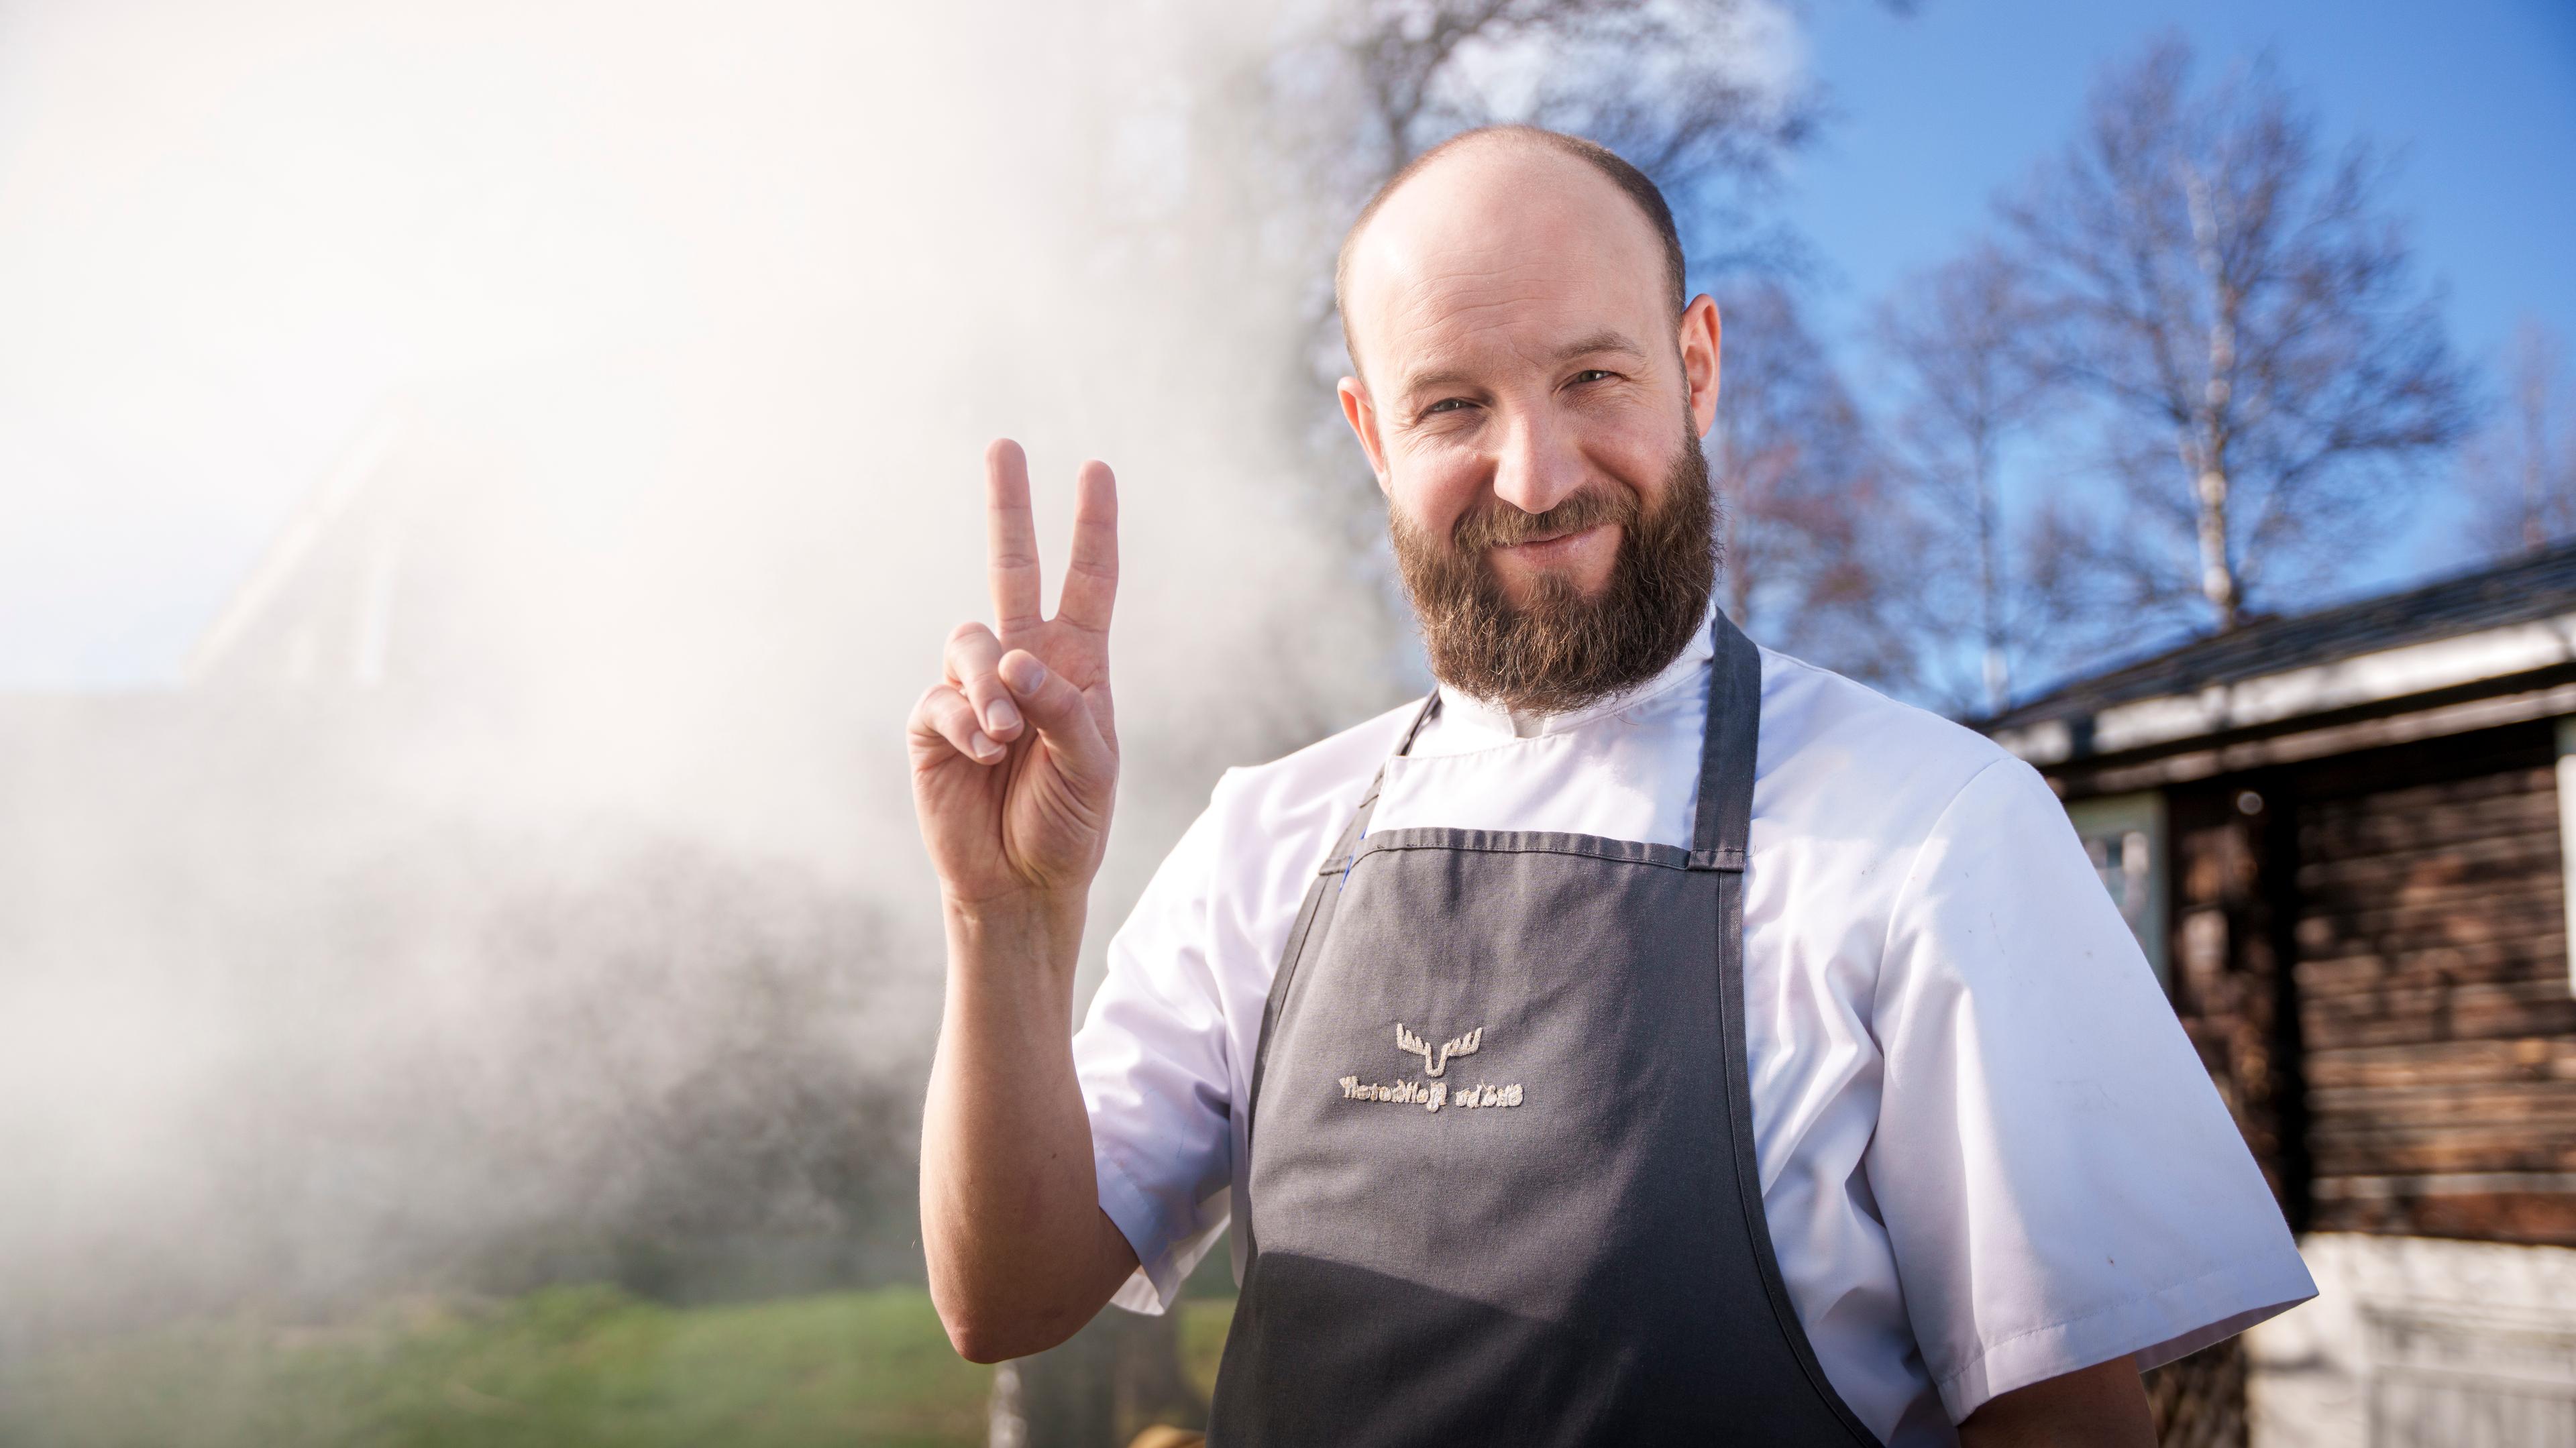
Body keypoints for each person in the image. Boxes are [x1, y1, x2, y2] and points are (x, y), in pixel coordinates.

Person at [908, 125, 2314, 1446]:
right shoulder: (1265, 841)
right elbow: (1007, 1297)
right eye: (1454, 403)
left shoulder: (1937, 831)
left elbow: (2064, 1431)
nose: (1534, 474)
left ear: (1695, 368)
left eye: (1592, 377)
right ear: (1372, 436)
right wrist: (1008, 921)